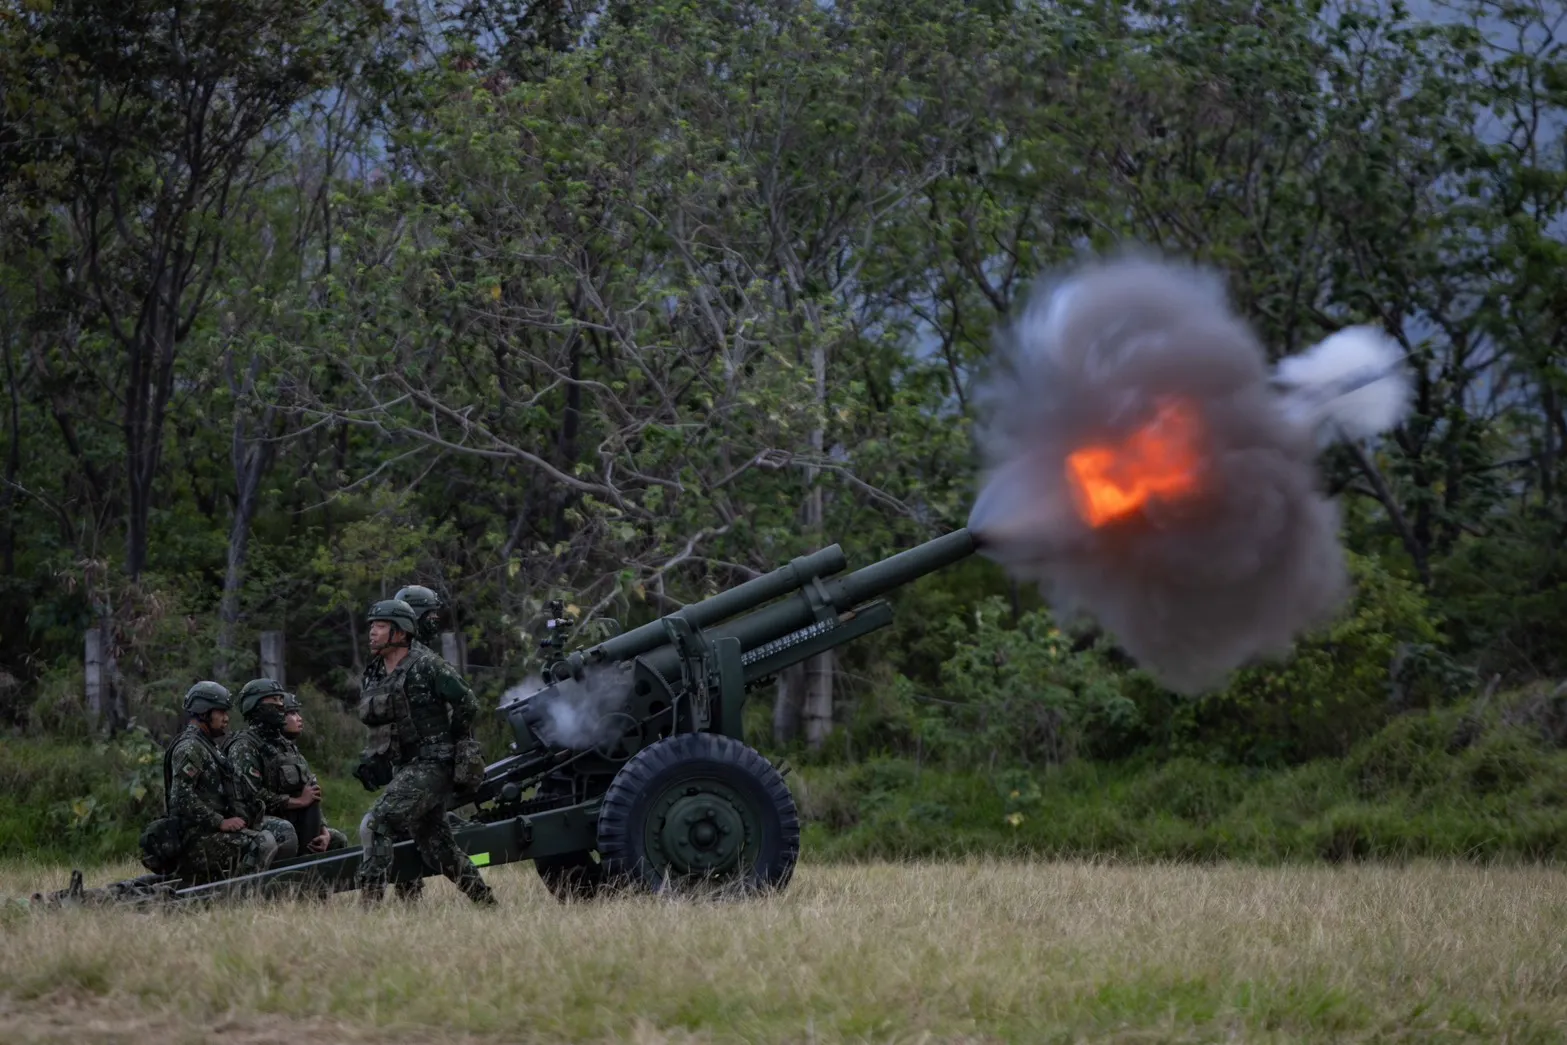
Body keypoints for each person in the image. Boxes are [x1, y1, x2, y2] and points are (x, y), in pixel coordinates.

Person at [354, 598, 493, 906]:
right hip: (404, 767)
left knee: (377, 824)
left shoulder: (427, 665)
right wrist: (373, 758)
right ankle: (487, 905)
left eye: (380, 626)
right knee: (437, 848)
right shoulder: (375, 670)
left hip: (433, 764)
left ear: (401, 632)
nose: (372, 633)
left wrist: (454, 744)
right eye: (372, 626)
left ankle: (369, 908)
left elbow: (467, 702)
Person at [164, 681, 279, 884]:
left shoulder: (207, 745)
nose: (226, 718)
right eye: (221, 712)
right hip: (195, 839)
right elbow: (180, 797)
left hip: (208, 833)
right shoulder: (191, 747)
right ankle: (239, 899)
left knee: (273, 834)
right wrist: (220, 821)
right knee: (262, 843)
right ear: (203, 711)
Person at [279, 692, 350, 854]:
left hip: (302, 823)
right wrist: (300, 801)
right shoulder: (264, 752)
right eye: (291, 713)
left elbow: (313, 797)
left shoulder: (296, 756)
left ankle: (323, 880)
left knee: (337, 839)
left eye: (297, 713)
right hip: (281, 826)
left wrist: (323, 832)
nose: (299, 718)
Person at [394, 583, 446, 649]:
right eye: (432, 612)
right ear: (415, 616)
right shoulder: (402, 652)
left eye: (435, 612)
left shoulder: (420, 649)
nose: (436, 617)